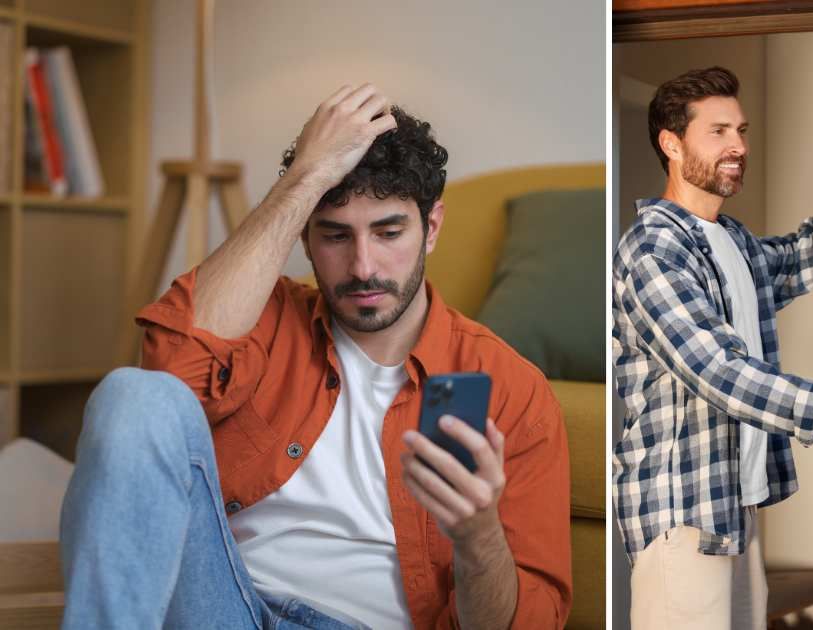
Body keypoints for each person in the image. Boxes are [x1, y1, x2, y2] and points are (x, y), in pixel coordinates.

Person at [59, 84, 572, 629]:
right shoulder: (265, 316)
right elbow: (166, 377)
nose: (363, 267)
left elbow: (530, 622)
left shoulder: (511, 388)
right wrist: (305, 178)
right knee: (132, 393)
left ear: (432, 228)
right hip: (223, 605)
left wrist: (478, 535)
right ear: (305, 237)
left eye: (389, 232)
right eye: (335, 236)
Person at [612, 66, 813, 630]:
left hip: (735, 505)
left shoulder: (730, 238)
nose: (738, 146)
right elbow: (720, 372)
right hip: (683, 513)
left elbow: (791, 260)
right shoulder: (653, 250)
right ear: (672, 144)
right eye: (718, 131)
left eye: (741, 130)